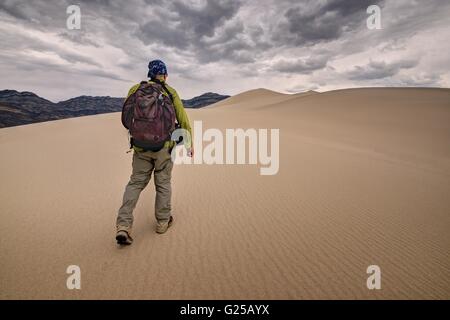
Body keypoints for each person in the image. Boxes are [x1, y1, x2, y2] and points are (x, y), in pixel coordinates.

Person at [115, 59, 193, 245]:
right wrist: (189, 142)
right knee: (163, 183)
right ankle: (162, 222)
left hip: (140, 146)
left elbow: (127, 118)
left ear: (150, 74)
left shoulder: (135, 90)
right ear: (164, 75)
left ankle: (123, 225)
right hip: (164, 148)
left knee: (135, 184)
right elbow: (182, 118)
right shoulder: (170, 92)